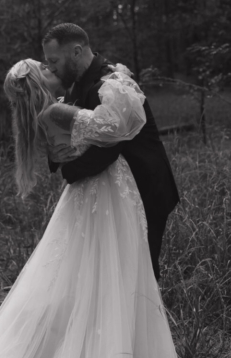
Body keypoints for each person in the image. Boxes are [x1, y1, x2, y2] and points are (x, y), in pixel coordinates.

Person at [0, 58, 182, 358]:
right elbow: (97, 150)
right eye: (45, 66)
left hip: (99, 195)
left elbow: (73, 154)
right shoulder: (56, 111)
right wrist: (118, 85)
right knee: (102, 275)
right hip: (100, 194)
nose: (50, 66)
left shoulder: (60, 105)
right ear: (40, 80)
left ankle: (111, 354)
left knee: (96, 276)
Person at [42, 23, 180, 281]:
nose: (51, 67)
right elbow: (74, 136)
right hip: (113, 194)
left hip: (145, 187)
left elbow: (107, 149)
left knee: (141, 273)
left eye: (53, 60)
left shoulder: (113, 84)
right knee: (111, 273)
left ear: (76, 52)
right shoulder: (77, 85)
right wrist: (55, 154)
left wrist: (68, 171)